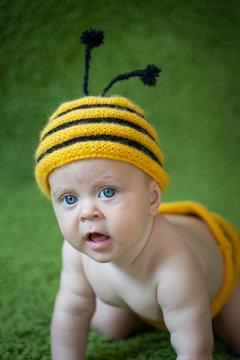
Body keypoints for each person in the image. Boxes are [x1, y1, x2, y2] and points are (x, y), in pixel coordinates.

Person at [34, 29, 240, 360]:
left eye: (107, 191)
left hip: (223, 276)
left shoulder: (174, 266)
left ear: (152, 198)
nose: (87, 212)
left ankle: (211, 312)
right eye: (69, 199)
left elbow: (195, 349)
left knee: (226, 333)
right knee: (111, 326)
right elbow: (72, 312)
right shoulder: (77, 254)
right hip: (143, 296)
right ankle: (141, 307)